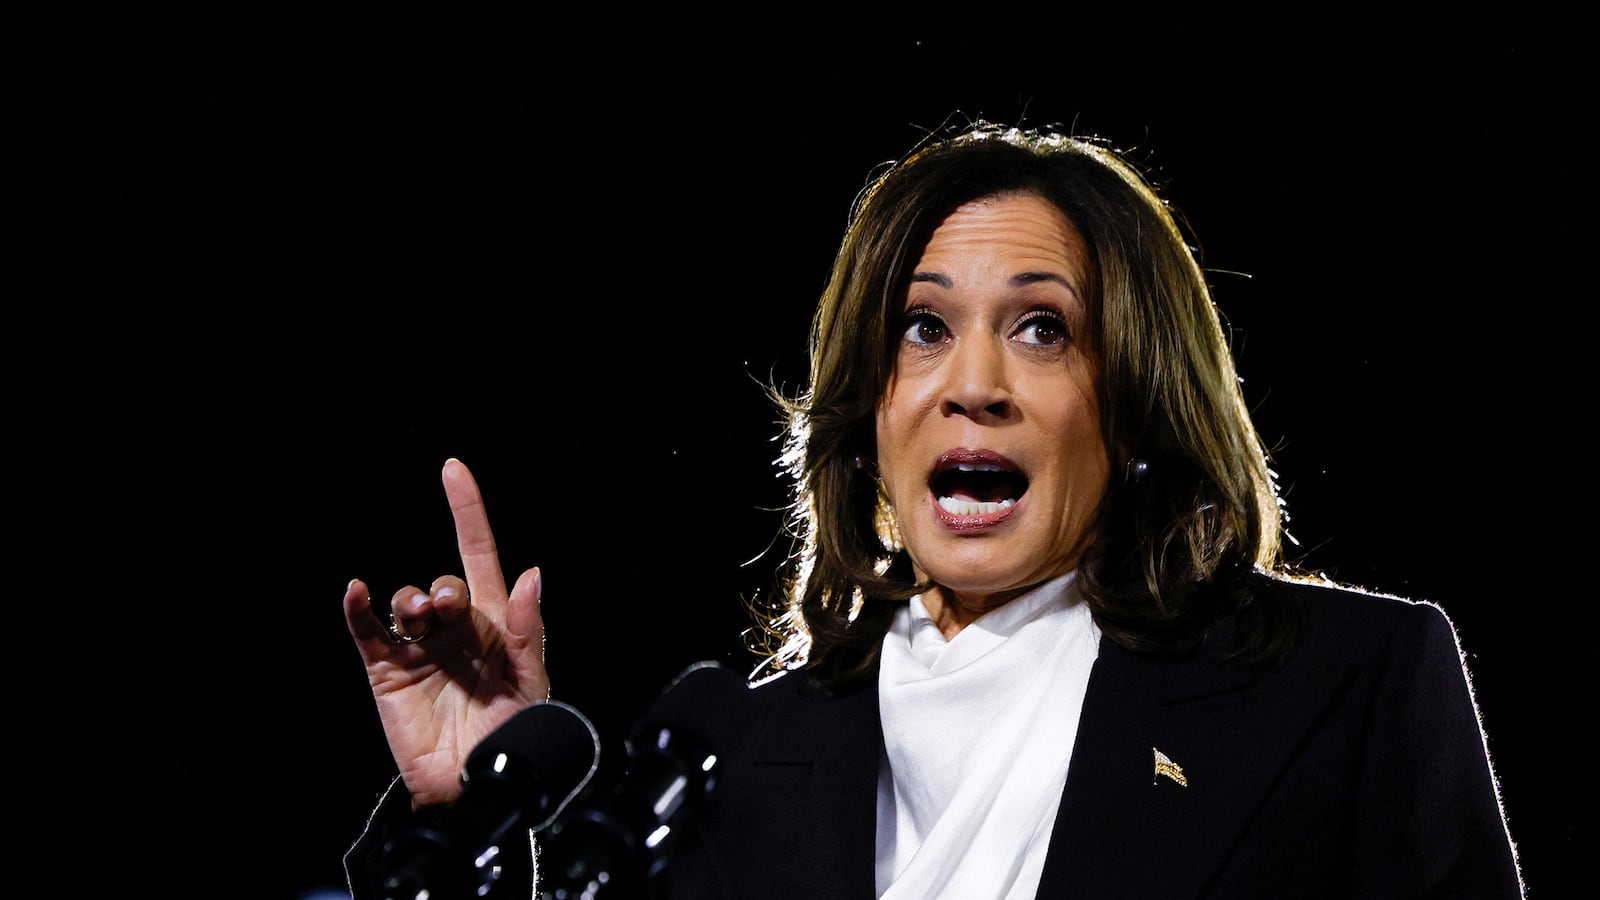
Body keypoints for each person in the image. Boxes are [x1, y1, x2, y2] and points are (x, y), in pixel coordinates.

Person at [340, 120, 1524, 898]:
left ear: (1137, 399)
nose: (973, 384)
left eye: (1041, 328)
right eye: (922, 327)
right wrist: (489, 810)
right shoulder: (724, 759)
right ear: (870, 409)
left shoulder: (1353, 684)